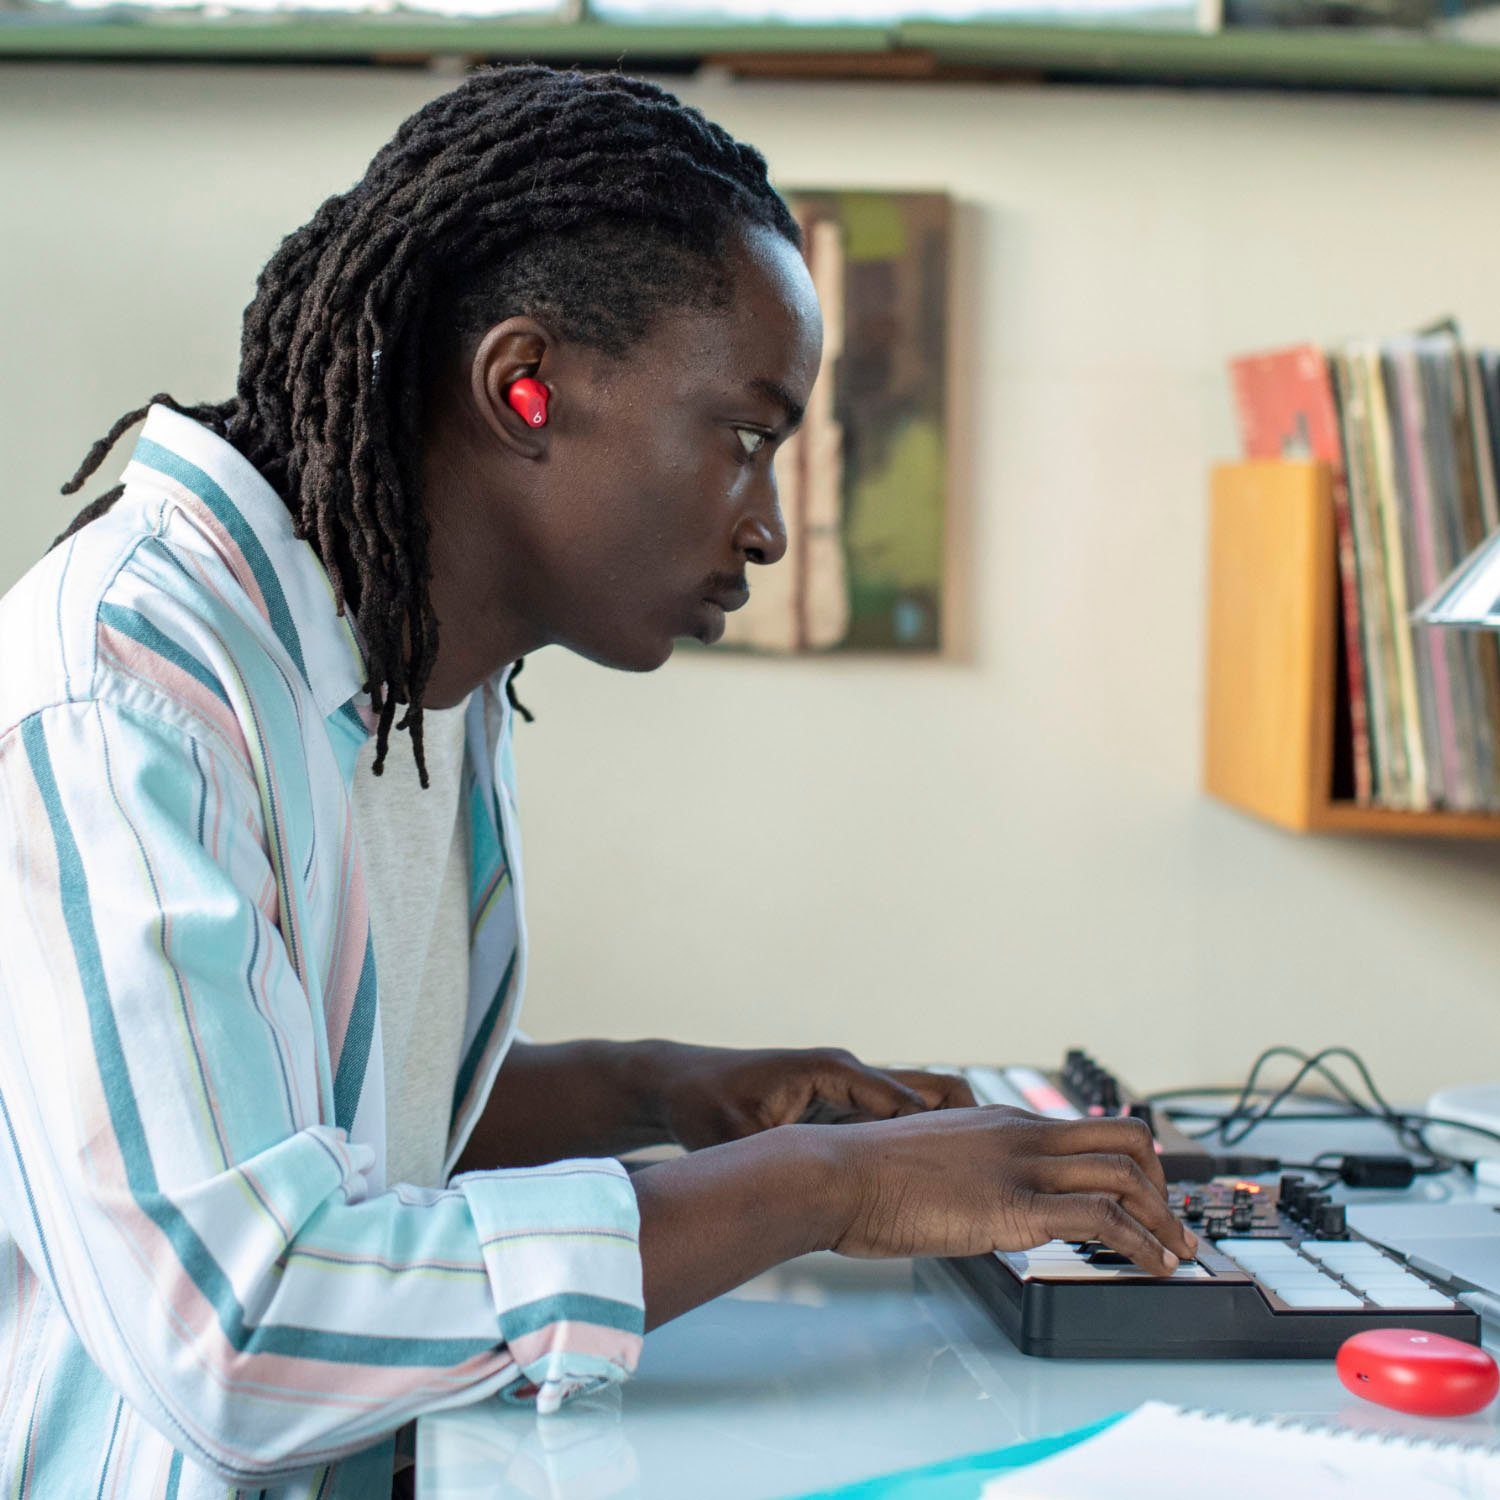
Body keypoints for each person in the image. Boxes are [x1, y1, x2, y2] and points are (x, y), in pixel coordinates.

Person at [0, 64, 1194, 1499]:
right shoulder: (134, 690)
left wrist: (661, 1087)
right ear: (527, 387)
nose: (765, 529)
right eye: (746, 438)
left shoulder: (418, 680)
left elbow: (334, 1118)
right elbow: (243, 1331)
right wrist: (829, 1187)